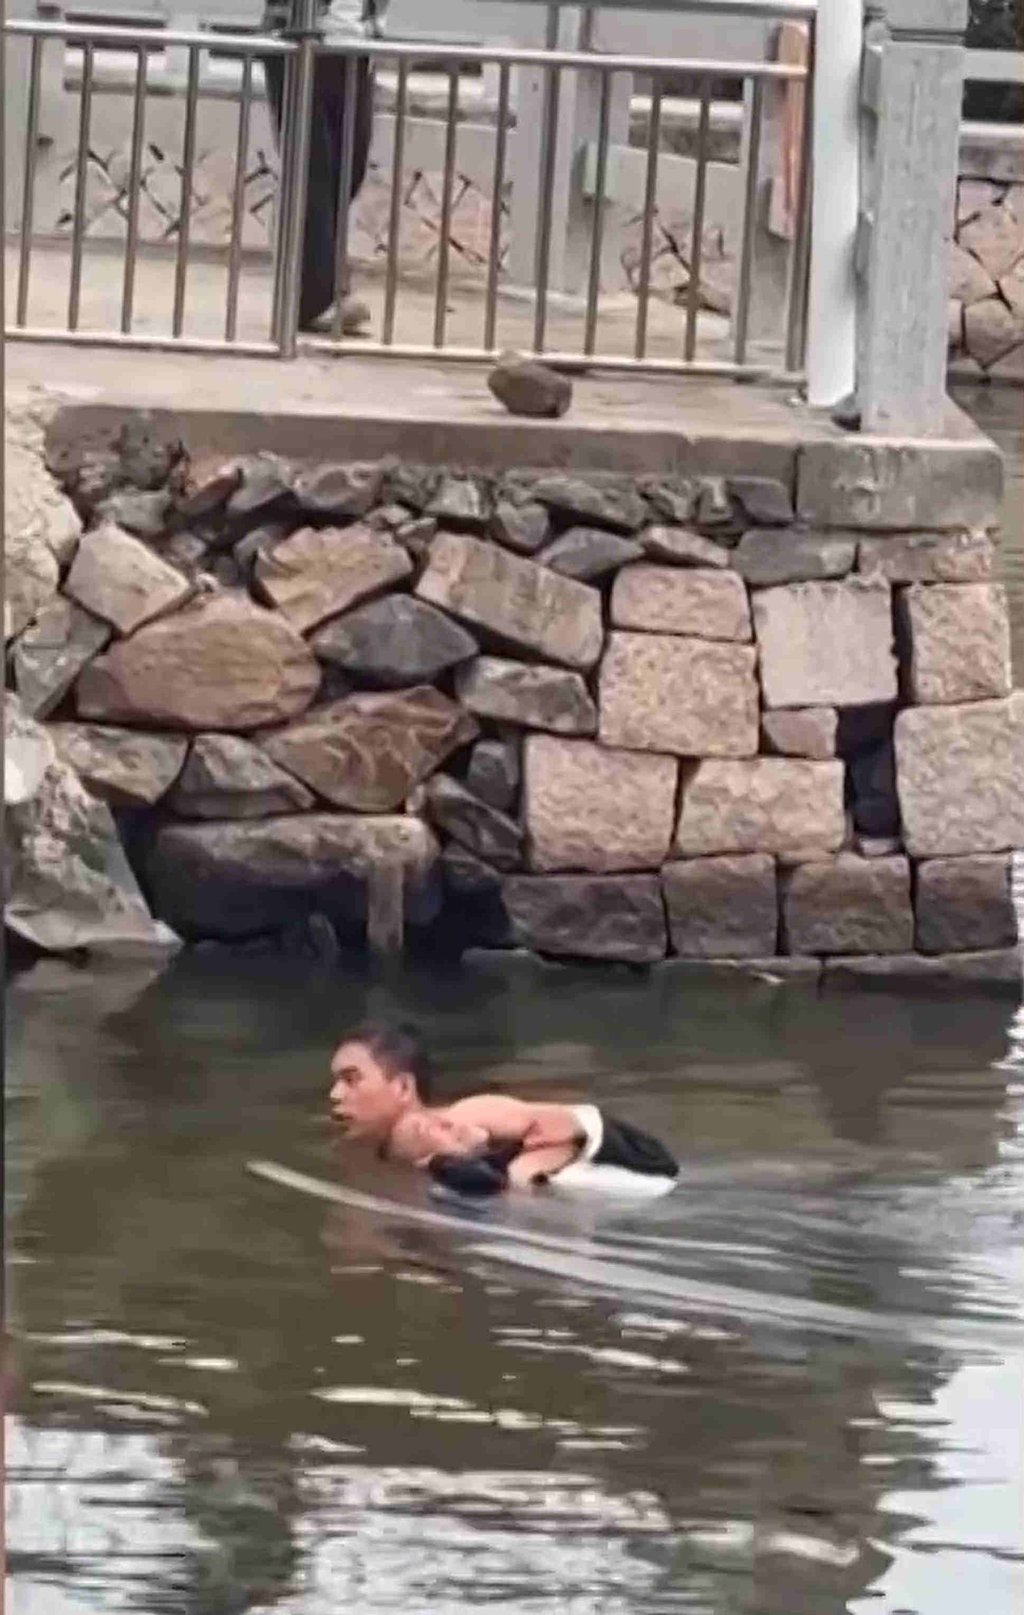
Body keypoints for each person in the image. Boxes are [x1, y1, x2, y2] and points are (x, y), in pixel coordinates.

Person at [328, 1022, 679, 1197]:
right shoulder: (393, 1150)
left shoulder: (468, 1117)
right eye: (336, 1081)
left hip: (624, 1149)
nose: (334, 1094)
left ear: (403, 1087)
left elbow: (565, 1128)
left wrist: (523, 1176)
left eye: (351, 1079)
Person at [261, 0, 380, 333]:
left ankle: (323, 284)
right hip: (302, 40)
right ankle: (315, 299)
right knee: (313, 169)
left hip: (357, 47)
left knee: (349, 169)